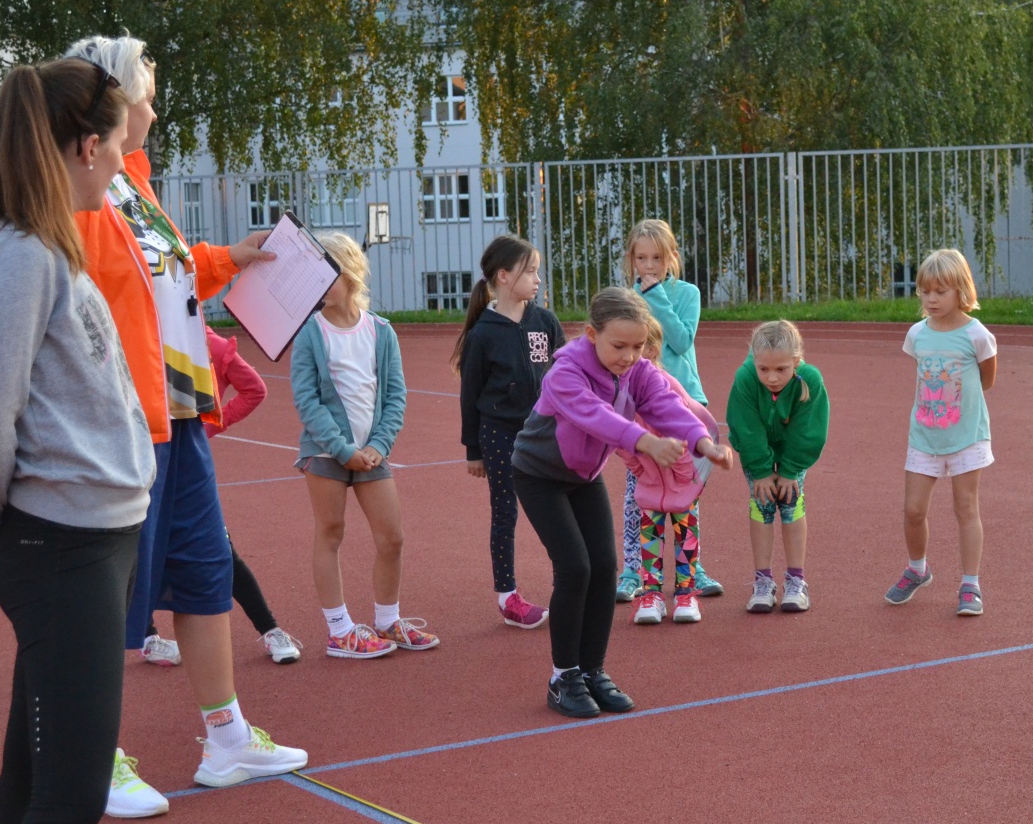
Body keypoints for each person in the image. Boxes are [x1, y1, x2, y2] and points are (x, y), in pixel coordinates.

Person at [65, 35, 305, 820]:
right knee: (108, 595)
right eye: (147, 94)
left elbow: (163, 273)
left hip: (181, 412)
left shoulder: (132, 180)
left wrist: (231, 256)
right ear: (113, 100)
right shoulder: (80, 188)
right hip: (127, 420)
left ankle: (227, 739)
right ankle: (91, 757)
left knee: (204, 573)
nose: (156, 108)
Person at [0, 58, 153, 824]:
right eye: (115, 147)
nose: (121, 165)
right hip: (60, 547)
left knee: (36, 781)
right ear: (82, 148)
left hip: (86, 541)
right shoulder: (22, 257)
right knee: (68, 806)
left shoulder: (43, 244)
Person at [512, 288, 733, 719]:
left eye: (637, 346)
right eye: (619, 346)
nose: (629, 356)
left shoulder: (639, 371)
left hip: (583, 478)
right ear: (592, 334)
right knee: (574, 568)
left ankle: (592, 671)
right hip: (539, 475)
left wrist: (702, 442)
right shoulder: (564, 373)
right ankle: (563, 677)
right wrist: (646, 441)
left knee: (604, 567)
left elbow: (667, 404)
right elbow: (597, 417)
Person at [291, 232, 438, 657]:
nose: (318, 286)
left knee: (392, 537)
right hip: (325, 453)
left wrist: (378, 445)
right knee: (330, 533)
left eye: (327, 275)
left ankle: (387, 621)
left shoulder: (381, 331)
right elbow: (307, 400)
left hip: (372, 454)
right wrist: (342, 450)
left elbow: (395, 396)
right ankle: (339, 630)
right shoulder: (310, 333)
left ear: (351, 274)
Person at [138, 328, 303, 665]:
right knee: (141, 547)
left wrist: (207, 427)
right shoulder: (140, 333)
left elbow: (254, 389)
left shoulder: (210, 344)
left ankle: (269, 628)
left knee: (219, 549)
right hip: (141, 462)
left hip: (184, 467)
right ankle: (147, 635)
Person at [453, 234, 565, 629]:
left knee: (560, 506)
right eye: (530, 271)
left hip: (544, 432)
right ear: (503, 276)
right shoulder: (483, 334)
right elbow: (470, 394)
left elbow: (565, 374)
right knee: (505, 510)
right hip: (499, 434)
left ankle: (568, 582)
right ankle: (507, 596)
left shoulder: (544, 321)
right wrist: (473, 450)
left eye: (537, 271)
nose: (538, 279)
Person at [885, 250, 998, 616]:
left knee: (966, 508)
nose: (931, 299)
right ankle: (918, 569)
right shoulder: (916, 334)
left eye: (940, 291)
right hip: (924, 438)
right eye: (925, 291)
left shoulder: (977, 335)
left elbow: (987, 380)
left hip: (967, 438)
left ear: (961, 290)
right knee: (913, 510)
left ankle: (970, 585)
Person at [617, 219, 723, 602]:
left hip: (685, 406)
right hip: (640, 409)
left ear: (672, 257)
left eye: (657, 258)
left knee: (686, 491)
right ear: (631, 259)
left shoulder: (687, 294)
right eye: (641, 258)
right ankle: (634, 569)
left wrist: (656, 295)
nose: (649, 266)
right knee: (639, 490)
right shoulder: (625, 301)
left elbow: (680, 340)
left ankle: (690, 569)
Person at [726, 320, 830, 613]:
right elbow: (745, 426)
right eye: (764, 369)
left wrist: (789, 470)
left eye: (781, 370)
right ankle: (763, 582)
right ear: (754, 361)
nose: (771, 378)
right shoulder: (746, 377)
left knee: (791, 503)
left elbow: (809, 430)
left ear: (796, 362)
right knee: (761, 504)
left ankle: (796, 581)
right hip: (756, 450)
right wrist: (760, 470)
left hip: (792, 451)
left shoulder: (811, 380)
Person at [623, 322, 723, 625]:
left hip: (682, 478)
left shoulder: (668, 386)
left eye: (634, 347)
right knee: (650, 534)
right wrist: (640, 470)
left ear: (651, 350)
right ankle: (651, 594)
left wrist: (682, 474)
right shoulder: (620, 390)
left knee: (686, 532)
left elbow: (689, 425)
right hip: (650, 479)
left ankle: (686, 593)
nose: (625, 355)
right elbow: (620, 438)